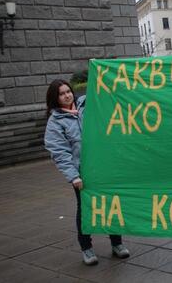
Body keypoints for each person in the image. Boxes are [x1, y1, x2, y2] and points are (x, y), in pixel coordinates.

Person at [44, 79, 130, 266]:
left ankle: (117, 244)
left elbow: (108, 95)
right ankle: (87, 248)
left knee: (111, 205)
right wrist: (74, 176)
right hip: (83, 174)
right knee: (85, 210)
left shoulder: (87, 105)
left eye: (68, 91)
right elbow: (60, 152)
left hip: (104, 168)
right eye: (61, 93)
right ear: (55, 98)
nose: (67, 95)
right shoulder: (55, 122)